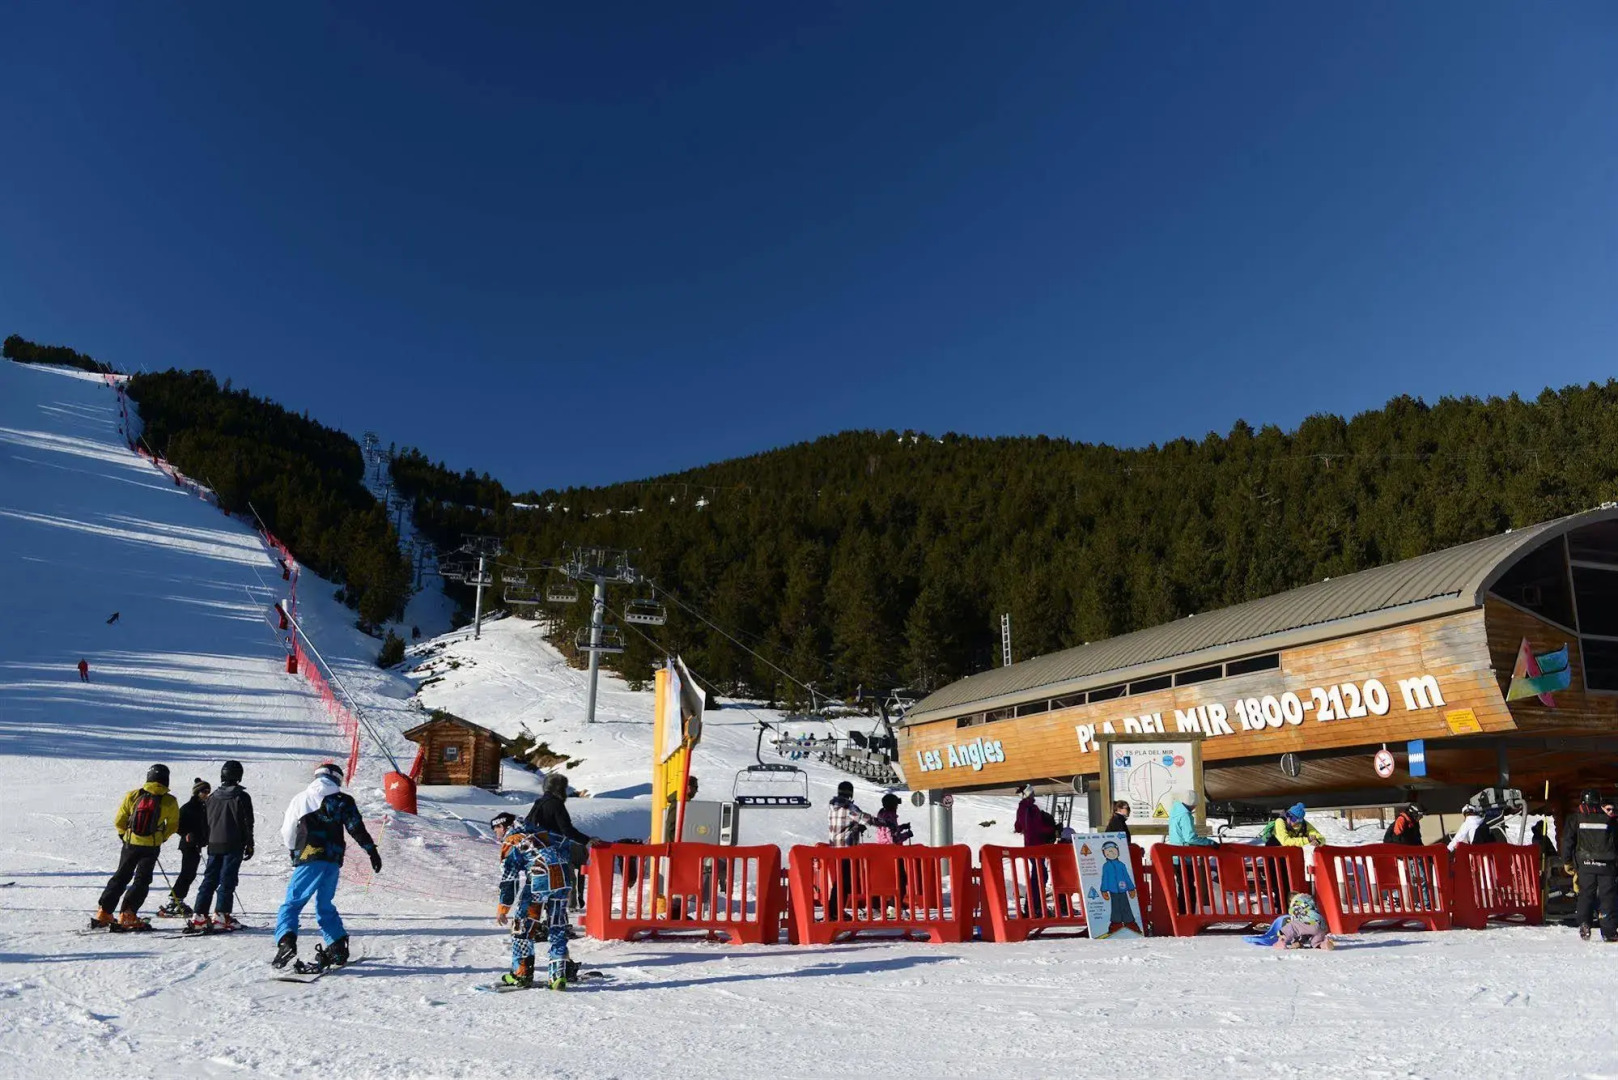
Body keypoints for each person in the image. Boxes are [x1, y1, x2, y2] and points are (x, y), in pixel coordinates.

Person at [272, 762, 380, 971]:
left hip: (309, 856)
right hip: (333, 859)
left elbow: (287, 831)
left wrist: (293, 849)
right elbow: (355, 827)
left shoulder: (301, 798)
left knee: (292, 903)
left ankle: (286, 941)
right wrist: (371, 850)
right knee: (324, 903)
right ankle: (337, 944)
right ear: (338, 779)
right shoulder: (343, 800)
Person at [491, 812, 575, 989]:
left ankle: (521, 974)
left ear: (503, 826)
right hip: (563, 881)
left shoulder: (512, 840)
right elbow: (565, 843)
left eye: (495, 829)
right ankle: (558, 975)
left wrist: (503, 908)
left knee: (522, 925)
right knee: (557, 925)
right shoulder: (541, 832)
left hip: (539, 881)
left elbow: (509, 879)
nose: (495, 834)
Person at [91, 765, 180, 931]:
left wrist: (124, 835)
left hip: (130, 843)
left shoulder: (133, 795)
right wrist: (162, 837)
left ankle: (104, 912)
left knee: (121, 876)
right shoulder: (169, 800)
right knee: (142, 879)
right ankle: (128, 914)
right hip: (151, 846)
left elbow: (120, 820)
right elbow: (173, 825)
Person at [191, 760, 254, 932]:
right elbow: (248, 822)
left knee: (209, 878)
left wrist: (205, 839)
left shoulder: (212, 797)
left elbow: (205, 821)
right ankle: (221, 915)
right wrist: (250, 843)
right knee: (227, 880)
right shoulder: (241, 796)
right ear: (239, 776)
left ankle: (199, 916)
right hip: (233, 843)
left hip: (214, 843)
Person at [526, 772, 598, 911]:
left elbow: (529, 823)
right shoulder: (556, 804)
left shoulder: (539, 802)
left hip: (538, 849)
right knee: (562, 883)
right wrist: (587, 840)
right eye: (563, 788)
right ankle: (558, 919)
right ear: (558, 788)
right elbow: (567, 830)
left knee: (541, 884)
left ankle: (536, 917)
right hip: (555, 849)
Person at [1560, 789, 1618, 942]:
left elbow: (1568, 841)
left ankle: (1584, 923)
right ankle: (1609, 931)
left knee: (1586, 895)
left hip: (1585, 864)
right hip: (1607, 866)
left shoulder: (1576, 818)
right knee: (1608, 898)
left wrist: (1567, 862)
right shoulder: (1609, 819)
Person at [158, 779, 211, 917]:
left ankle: (177, 899)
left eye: (208, 791)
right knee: (187, 872)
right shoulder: (189, 807)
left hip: (197, 844)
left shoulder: (204, 807)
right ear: (197, 792)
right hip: (188, 844)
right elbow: (177, 825)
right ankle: (174, 900)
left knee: (190, 873)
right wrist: (187, 834)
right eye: (204, 791)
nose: (207, 794)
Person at [1167, 789, 1216, 913]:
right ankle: (1188, 914)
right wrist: (1208, 842)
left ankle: (1181, 913)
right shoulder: (1185, 816)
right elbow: (1190, 837)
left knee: (1183, 886)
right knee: (1188, 888)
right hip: (1185, 856)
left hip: (1176, 856)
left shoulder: (1175, 812)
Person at [1097, 839, 1142, 937]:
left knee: (1126, 906)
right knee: (1115, 907)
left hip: (1123, 890)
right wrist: (1104, 890)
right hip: (1113, 891)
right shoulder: (1106, 866)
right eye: (1108, 852)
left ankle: (1130, 923)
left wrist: (1131, 888)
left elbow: (1126, 877)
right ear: (1104, 854)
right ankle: (1116, 924)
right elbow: (1105, 878)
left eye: (1113, 851)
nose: (1111, 853)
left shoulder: (1121, 865)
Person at [661, 775, 699, 843]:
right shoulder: (678, 803)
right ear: (688, 787)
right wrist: (672, 846)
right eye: (695, 787)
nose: (696, 791)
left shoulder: (682, 802)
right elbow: (670, 826)